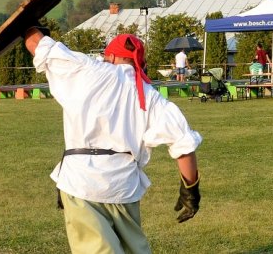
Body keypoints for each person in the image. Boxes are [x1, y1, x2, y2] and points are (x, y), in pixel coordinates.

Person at [24, 28, 202, 254]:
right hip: (123, 185)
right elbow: (183, 145)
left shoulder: (88, 69)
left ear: (111, 57)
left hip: (80, 181)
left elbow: (39, 45)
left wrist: (31, 28)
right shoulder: (151, 96)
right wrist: (190, 191)